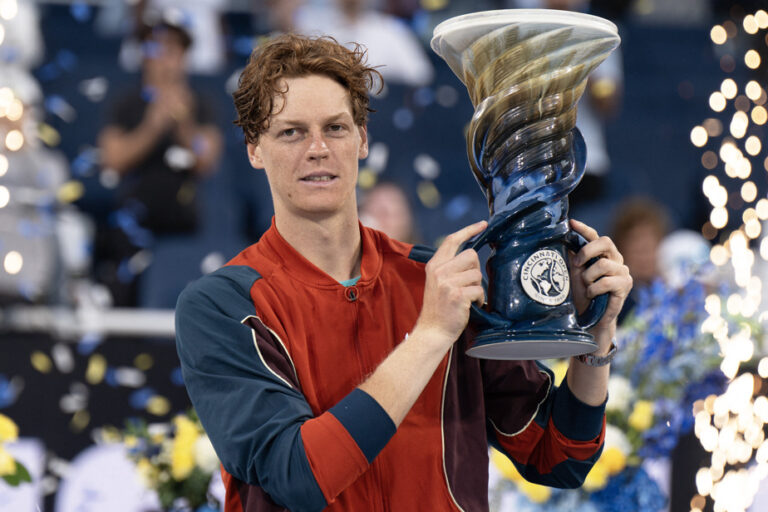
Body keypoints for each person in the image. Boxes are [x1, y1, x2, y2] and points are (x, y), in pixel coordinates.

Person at [175, 34, 632, 511]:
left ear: (362, 139)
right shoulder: (222, 305)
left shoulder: (434, 282)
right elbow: (300, 477)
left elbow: (558, 458)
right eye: (291, 132)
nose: (317, 149)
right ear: (254, 148)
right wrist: (430, 333)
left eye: (335, 128)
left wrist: (595, 339)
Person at [96, 18, 222, 305]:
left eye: (173, 51)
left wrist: (182, 123)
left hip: (184, 223)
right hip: (132, 222)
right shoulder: (126, 103)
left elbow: (207, 160)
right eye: (157, 49)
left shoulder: (201, 104)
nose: (166, 60)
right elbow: (111, 160)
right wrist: (152, 126)